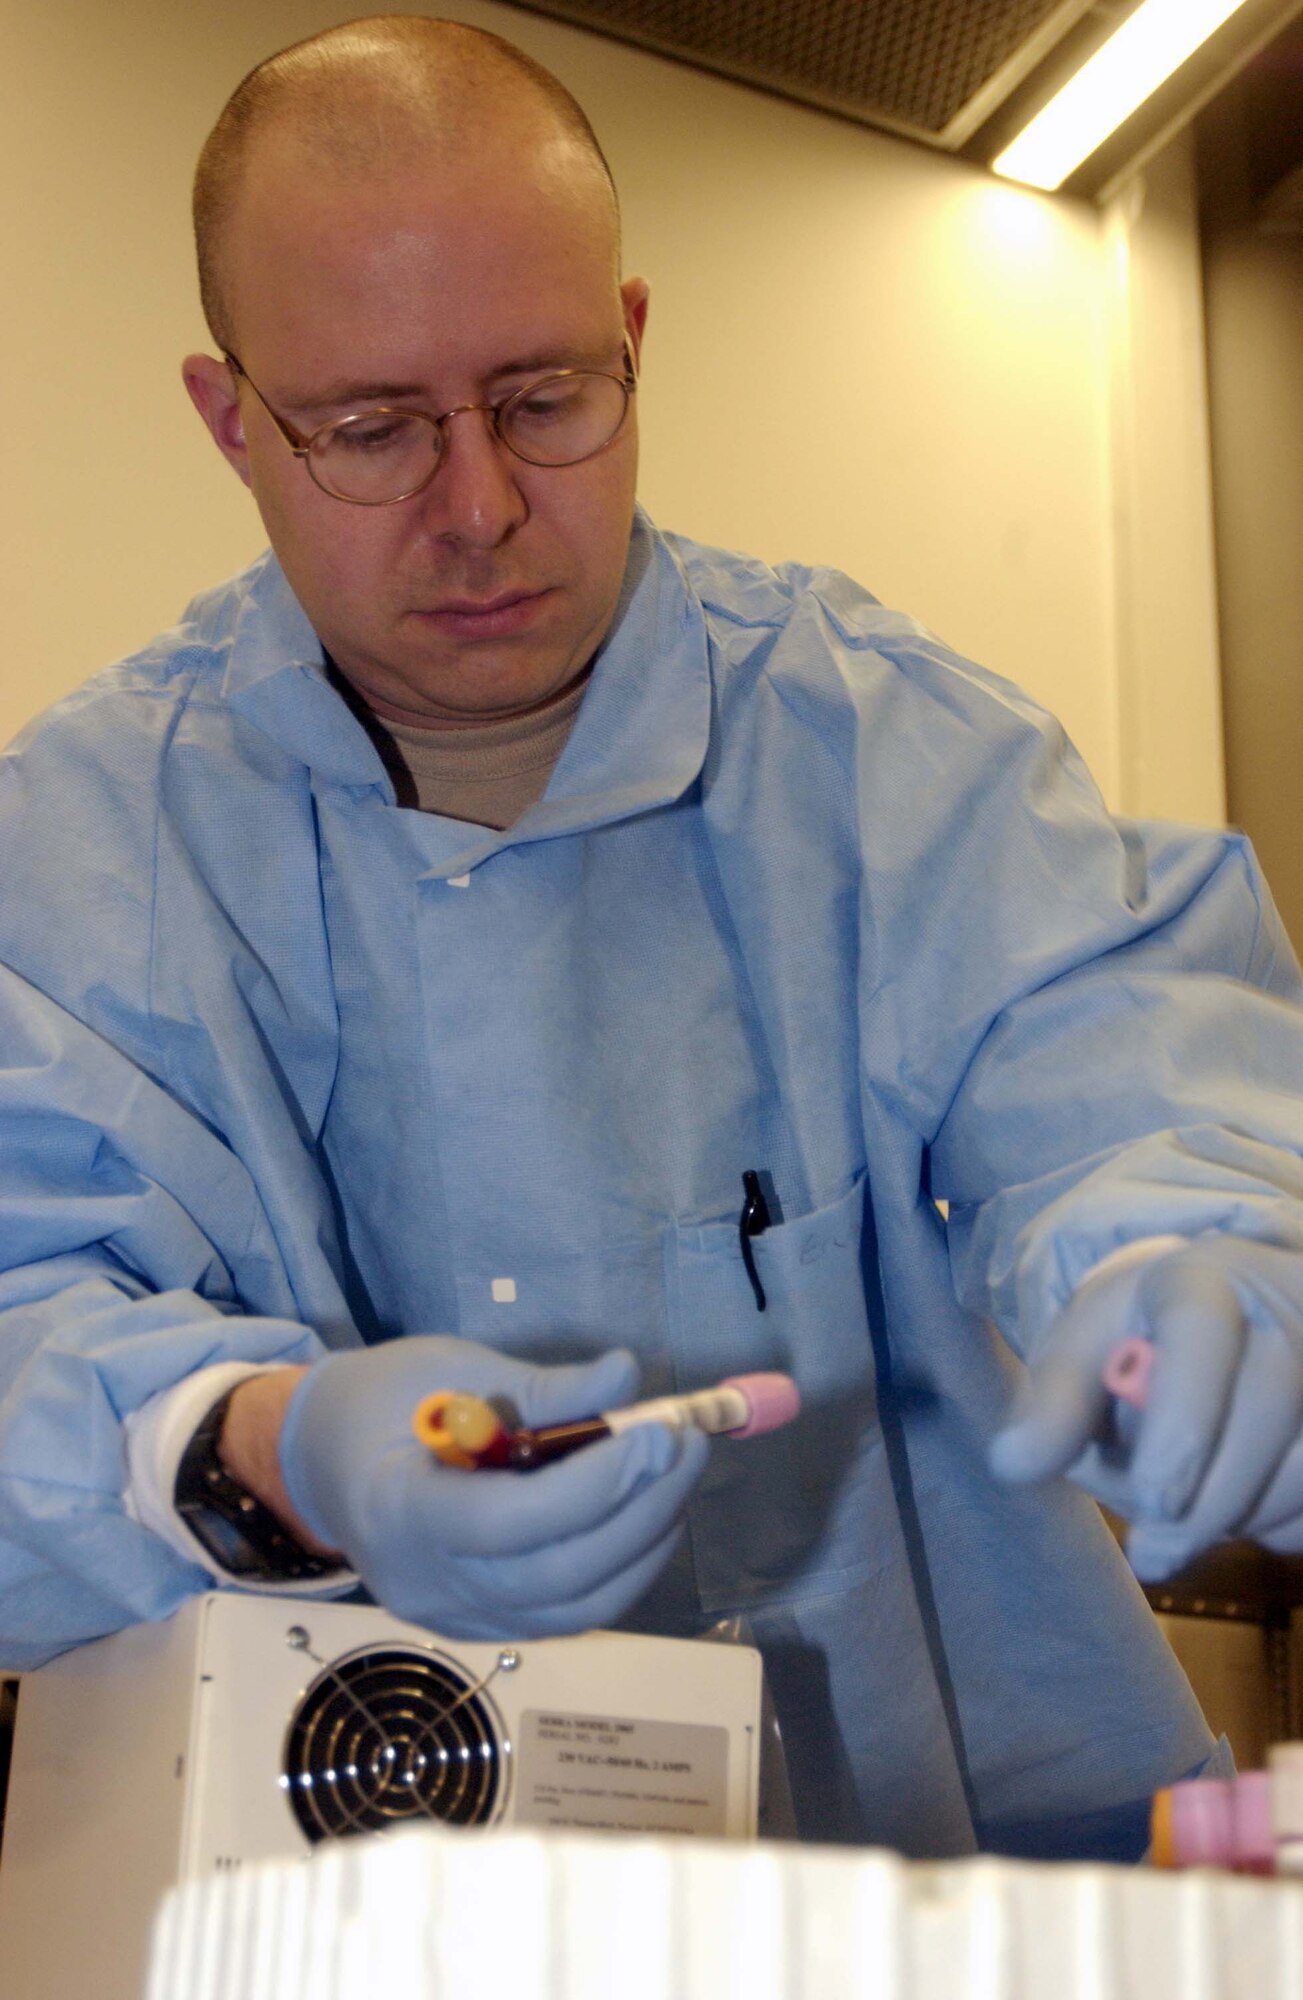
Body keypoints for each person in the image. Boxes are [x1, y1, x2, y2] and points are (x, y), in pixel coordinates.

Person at [2, 14, 1301, 1864]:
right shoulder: (70, 856)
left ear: (631, 339)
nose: (478, 509)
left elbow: (1125, 1082)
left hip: (945, 1901)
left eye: (545, 400)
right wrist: (257, 1448)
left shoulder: (889, 752)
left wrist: (1200, 1262)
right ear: (232, 422)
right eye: (370, 432)